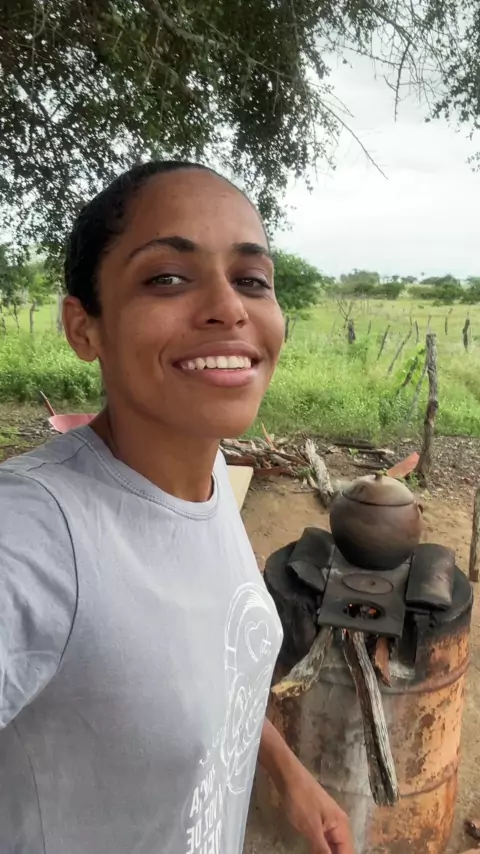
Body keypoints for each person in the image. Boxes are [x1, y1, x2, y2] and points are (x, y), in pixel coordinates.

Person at [0, 161, 354, 854]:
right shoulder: (34, 534)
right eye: (166, 277)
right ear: (84, 328)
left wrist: (287, 773)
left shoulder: (210, 475)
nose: (230, 308)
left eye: (251, 279)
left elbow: (192, 666)